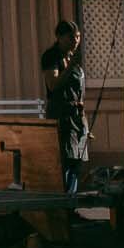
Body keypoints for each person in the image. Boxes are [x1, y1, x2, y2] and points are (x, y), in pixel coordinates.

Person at [40, 19, 90, 195]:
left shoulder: (72, 56)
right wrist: (71, 67)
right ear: (59, 37)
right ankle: (64, 204)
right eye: (70, 38)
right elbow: (53, 84)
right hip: (61, 116)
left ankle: (72, 203)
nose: (75, 41)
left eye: (77, 37)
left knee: (78, 161)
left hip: (77, 116)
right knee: (65, 161)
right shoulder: (51, 56)